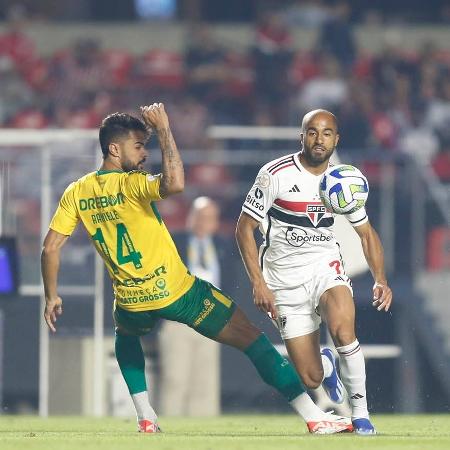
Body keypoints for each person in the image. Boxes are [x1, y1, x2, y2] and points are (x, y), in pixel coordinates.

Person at [41, 103, 353, 434]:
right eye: (138, 147)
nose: (144, 154)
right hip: (178, 293)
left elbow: (50, 247)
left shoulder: (76, 191)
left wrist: (52, 296)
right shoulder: (131, 184)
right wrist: (163, 130)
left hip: (131, 300)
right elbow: (174, 184)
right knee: (252, 339)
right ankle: (314, 417)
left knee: (126, 334)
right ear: (114, 149)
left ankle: (146, 416)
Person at [236, 109, 393, 435]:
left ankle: (360, 415)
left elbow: (366, 232)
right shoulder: (274, 174)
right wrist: (258, 283)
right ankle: (325, 363)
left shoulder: (342, 181)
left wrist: (381, 279)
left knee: (343, 330)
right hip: (282, 280)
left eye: (326, 133)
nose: (319, 139)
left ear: (336, 139)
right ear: (302, 136)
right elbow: (244, 228)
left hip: (325, 267)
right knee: (311, 378)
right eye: (312, 132)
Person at [158, 196, 228, 416]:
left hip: (210, 321)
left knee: (205, 380)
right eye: (199, 216)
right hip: (179, 319)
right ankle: (169, 424)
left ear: (216, 222)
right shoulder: (173, 243)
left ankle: (202, 429)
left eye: (209, 218)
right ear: (190, 217)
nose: (202, 222)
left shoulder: (221, 246)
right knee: (175, 377)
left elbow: (228, 282)